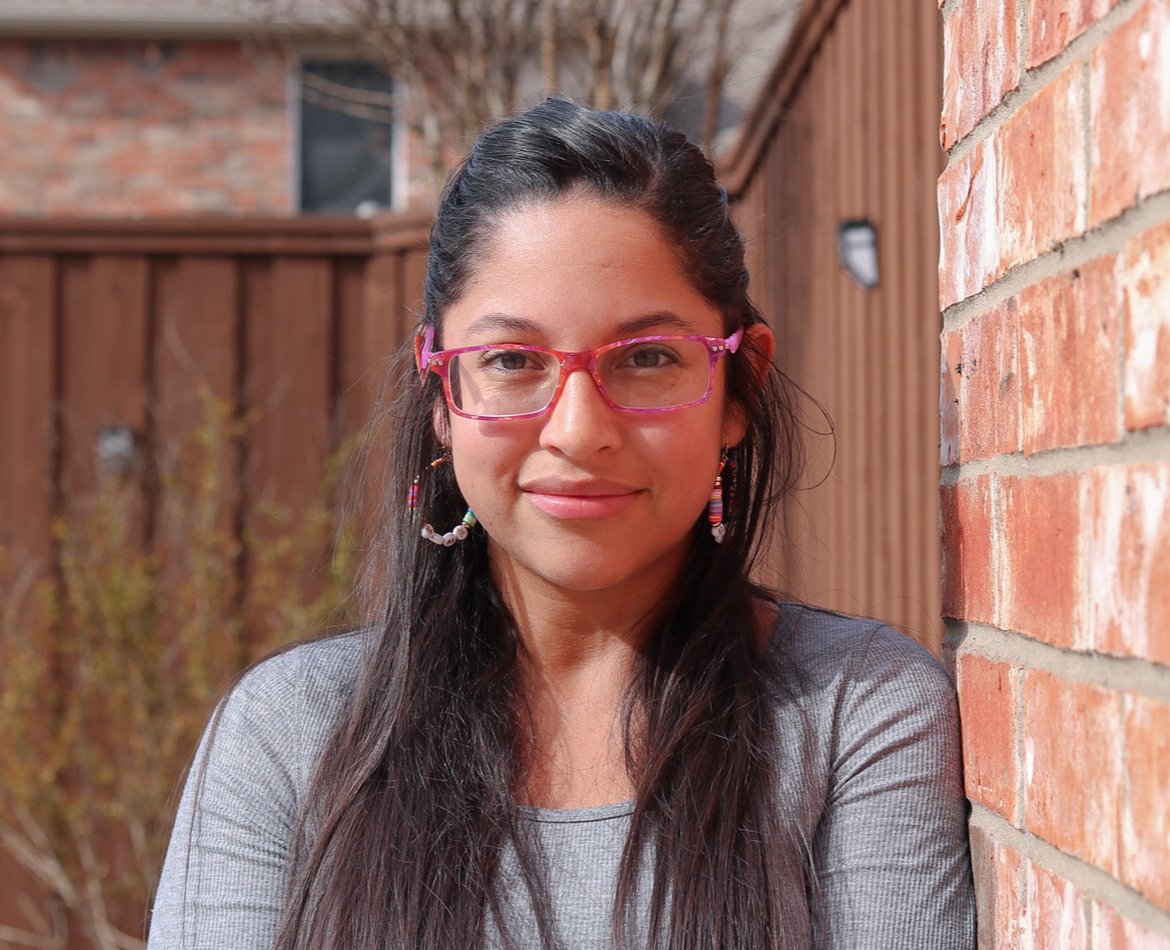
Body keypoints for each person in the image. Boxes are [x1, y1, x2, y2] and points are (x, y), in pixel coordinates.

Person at [148, 98, 975, 950]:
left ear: (741, 387)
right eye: (511, 361)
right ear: (445, 395)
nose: (578, 430)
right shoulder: (292, 736)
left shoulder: (856, 715)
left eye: (647, 358)